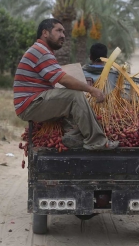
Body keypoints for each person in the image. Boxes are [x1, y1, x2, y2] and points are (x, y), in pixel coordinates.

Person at [13, 18, 118, 150]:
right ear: (45, 33)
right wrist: (91, 90)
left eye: (63, 31)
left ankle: (73, 136)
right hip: (30, 104)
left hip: (34, 101)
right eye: (58, 31)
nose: (63, 35)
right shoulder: (41, 51)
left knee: (72, 99)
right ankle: (97, 142)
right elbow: (63, 79)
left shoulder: (42, 50)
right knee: (75, 97)